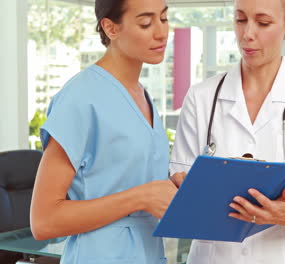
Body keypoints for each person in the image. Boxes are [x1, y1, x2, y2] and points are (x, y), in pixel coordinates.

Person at [169, 0, 285, 263]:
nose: (248, 34)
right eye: (240, 19)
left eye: (263, 22)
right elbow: (180, 189)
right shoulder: (202, 97)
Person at [30, 0, 181, 263]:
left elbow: (120, 179)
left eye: (164, 19)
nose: (161, 32)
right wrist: (141, 197)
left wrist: (169, 188)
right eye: (146, 23)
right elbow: (44, 221)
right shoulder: (80, 98)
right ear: (110, 28)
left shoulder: (143, 96)